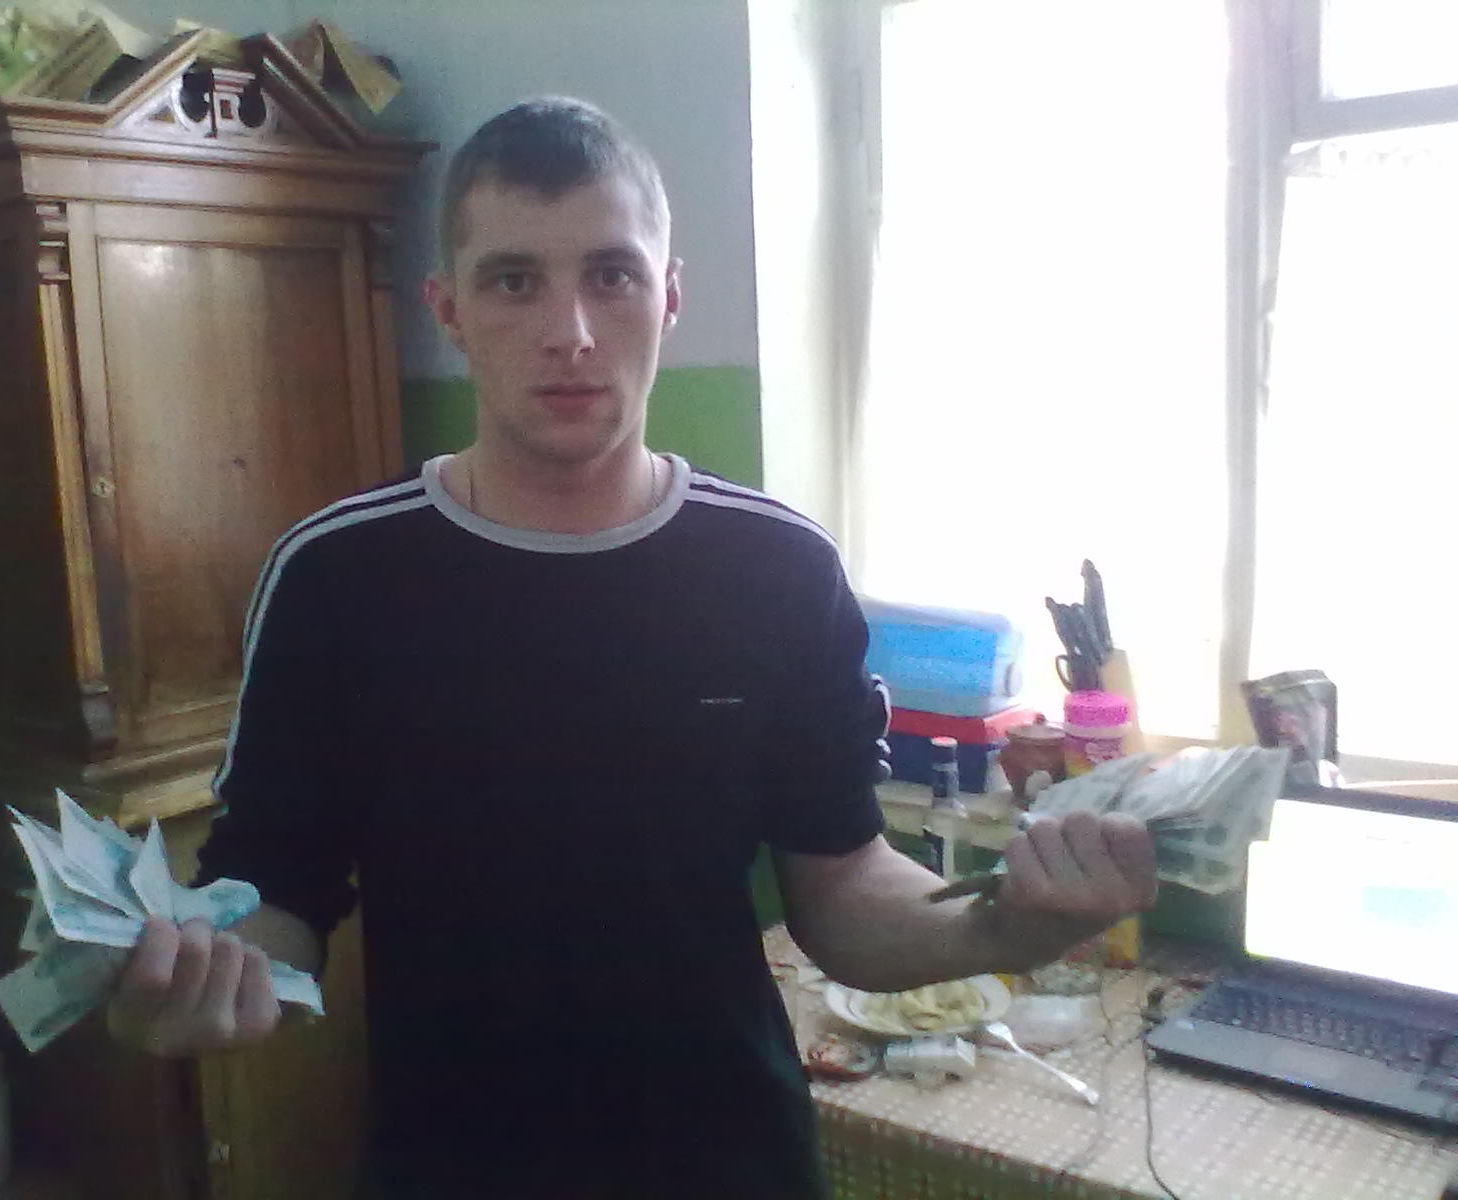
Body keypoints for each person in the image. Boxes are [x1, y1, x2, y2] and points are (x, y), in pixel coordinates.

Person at [106, 96, 1157, 1199]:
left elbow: (843, 883)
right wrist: (200, 977)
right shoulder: (336, 576)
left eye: (611, 275)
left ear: (669, 297)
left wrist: (1003, 923)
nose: (570, 331)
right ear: (449, 308)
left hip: (732, 1166)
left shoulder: (778, 570)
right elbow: (272, 892)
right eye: (515, 280)